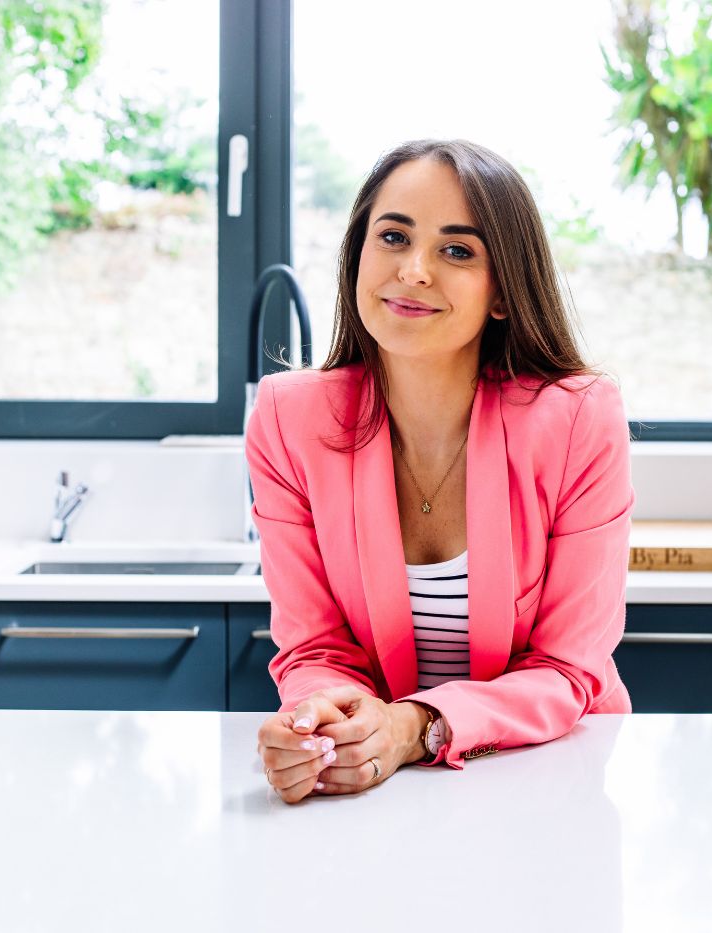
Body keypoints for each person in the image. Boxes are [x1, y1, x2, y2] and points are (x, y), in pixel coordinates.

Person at [247, 139, 633, 804]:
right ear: (358, 256)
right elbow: (313, 646)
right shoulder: (289, 417)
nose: (415, 269)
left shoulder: (577, 419)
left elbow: (569, 669)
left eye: (457, 250)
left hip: (549, 781)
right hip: (375, 789)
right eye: (393, 236)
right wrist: (320, 723)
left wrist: (411, 727)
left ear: (503, 292)